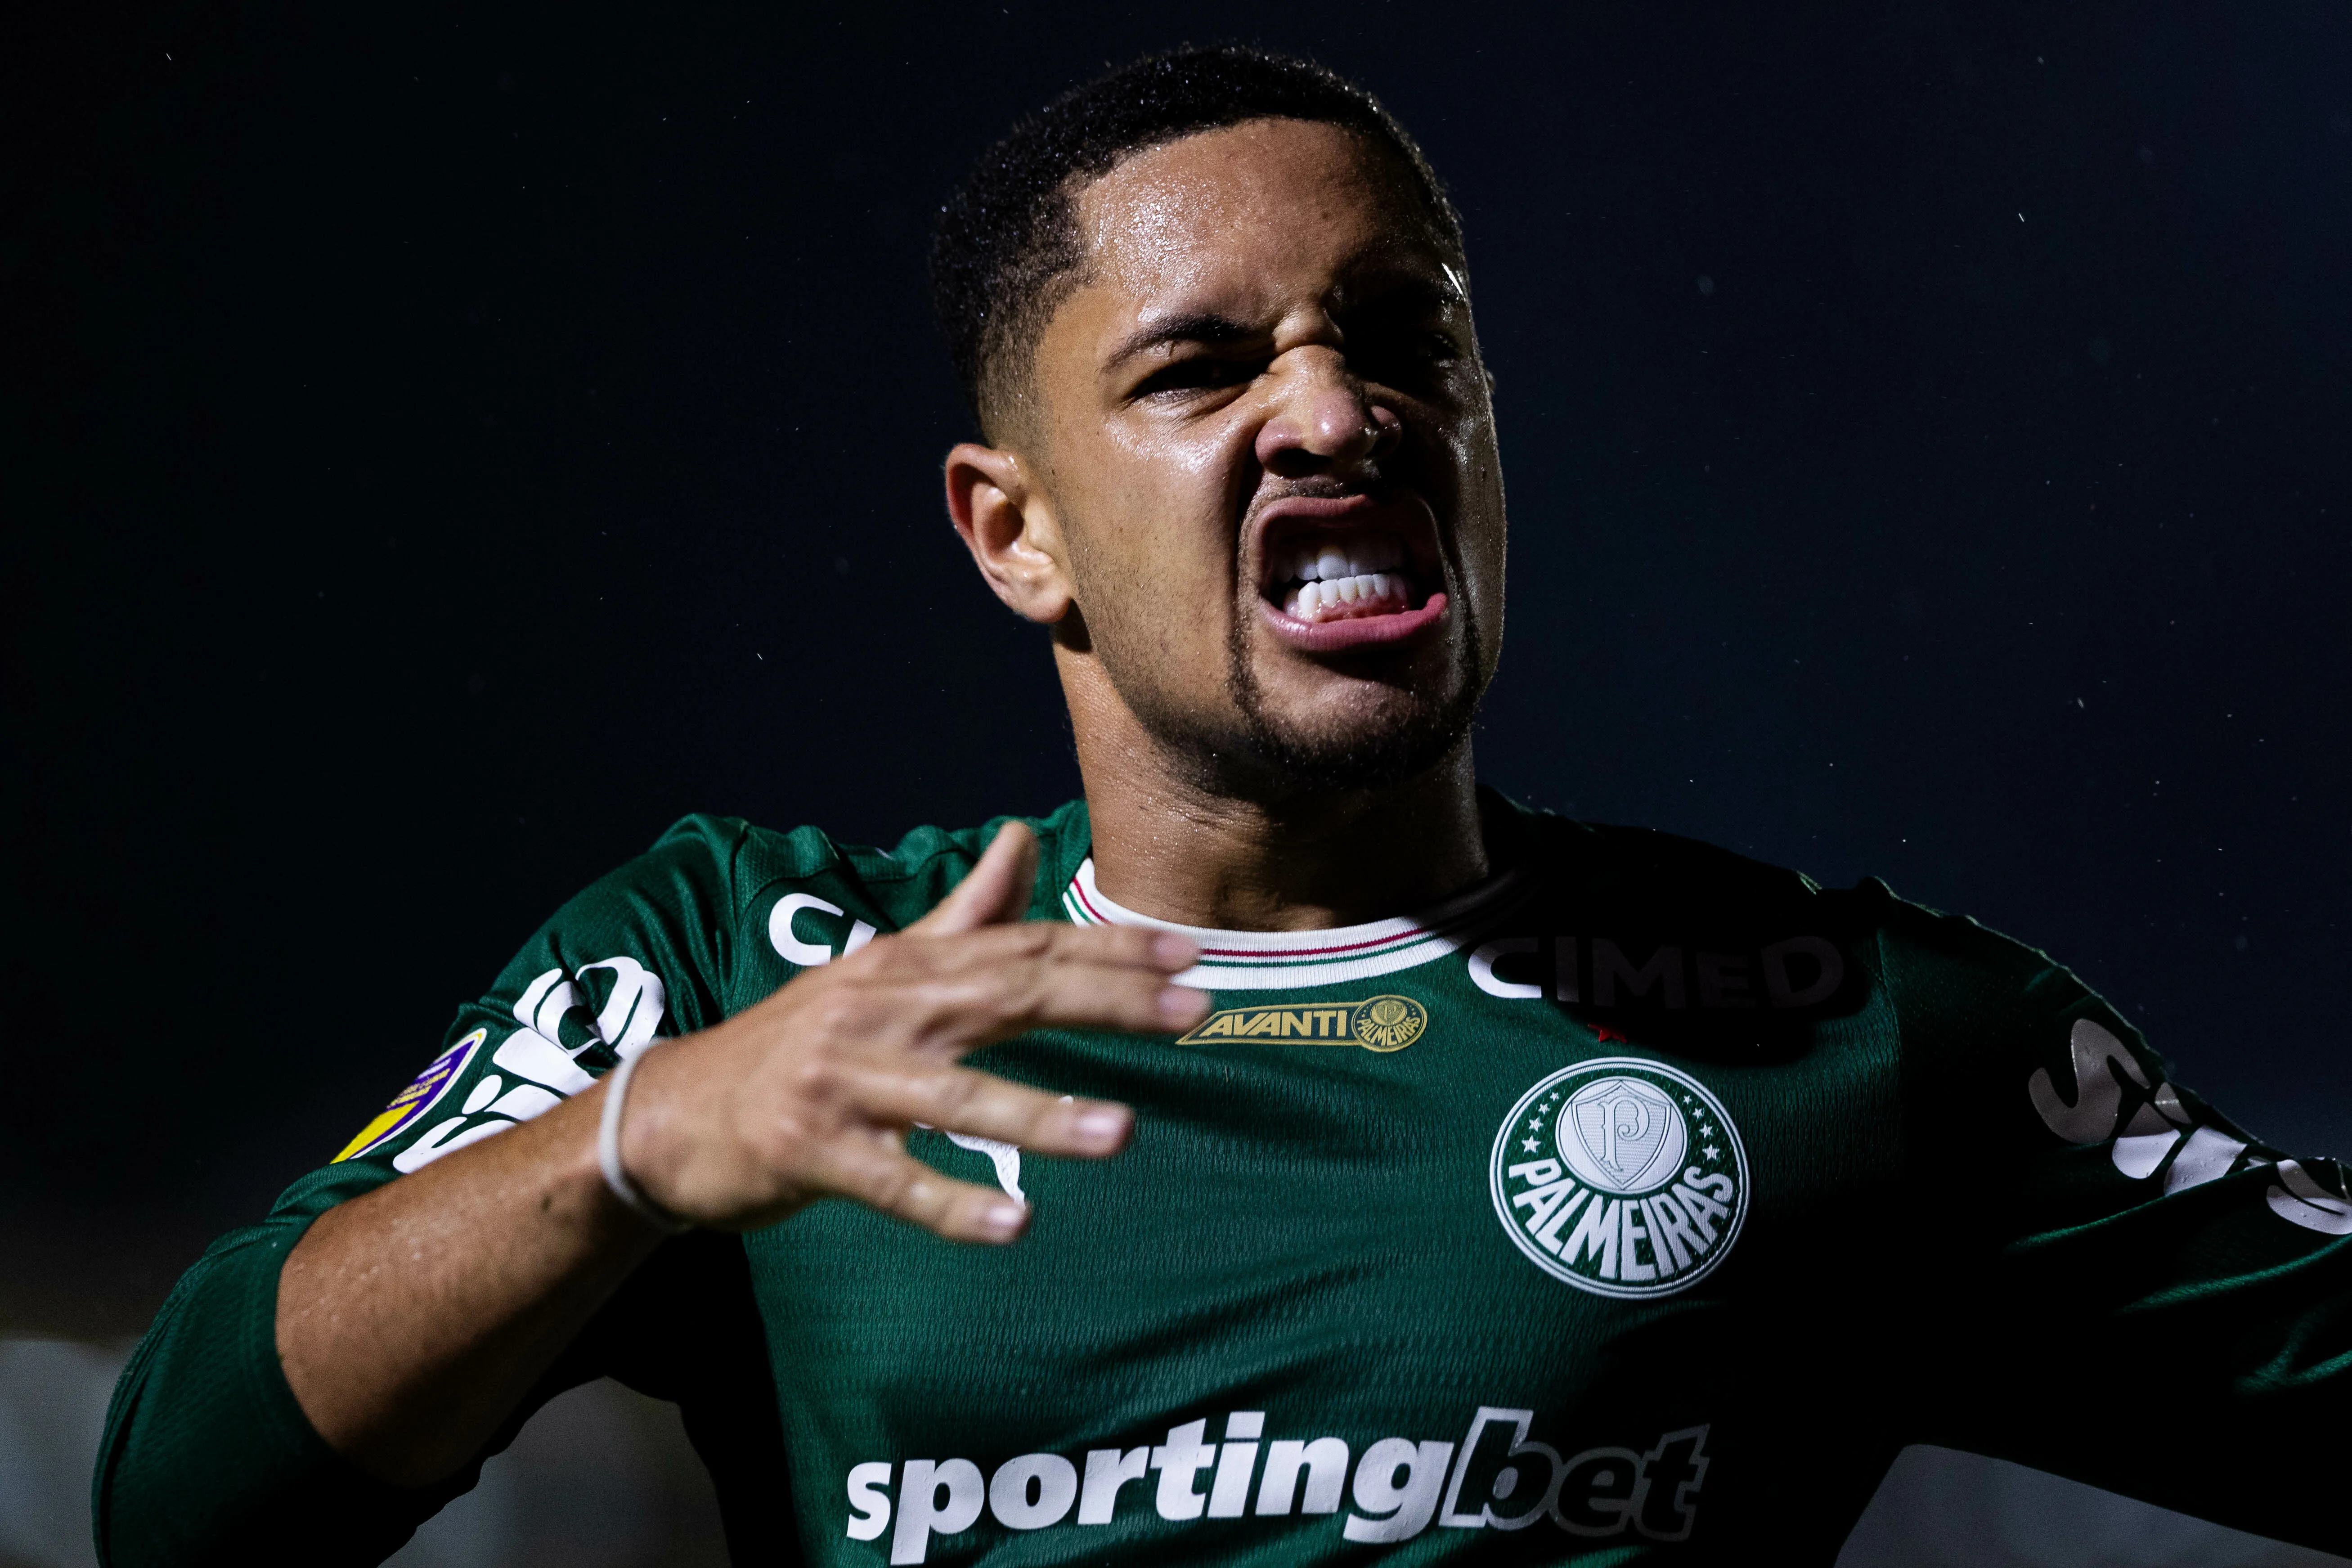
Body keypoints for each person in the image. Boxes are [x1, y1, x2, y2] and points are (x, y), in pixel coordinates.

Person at [94, 45, 2350, 1568]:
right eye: (1201, 364)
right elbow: (177, 1500)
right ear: (1013, 533)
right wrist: (646, 1139)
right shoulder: (749, 975)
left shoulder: (1839, 1021)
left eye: (1405, 337)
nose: (1336, 408)